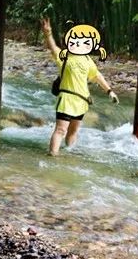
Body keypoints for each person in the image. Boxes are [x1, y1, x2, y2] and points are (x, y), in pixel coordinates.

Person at [41, 17, 118, 155]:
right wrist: (48, 33)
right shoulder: (64, 57)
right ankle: (52, 156)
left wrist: (110, 91)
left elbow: (97, 76)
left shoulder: (88, 61)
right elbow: (53, 48)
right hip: (66, 99)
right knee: (60, 130)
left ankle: (69, 153)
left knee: (73, 131)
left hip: (82, 100)